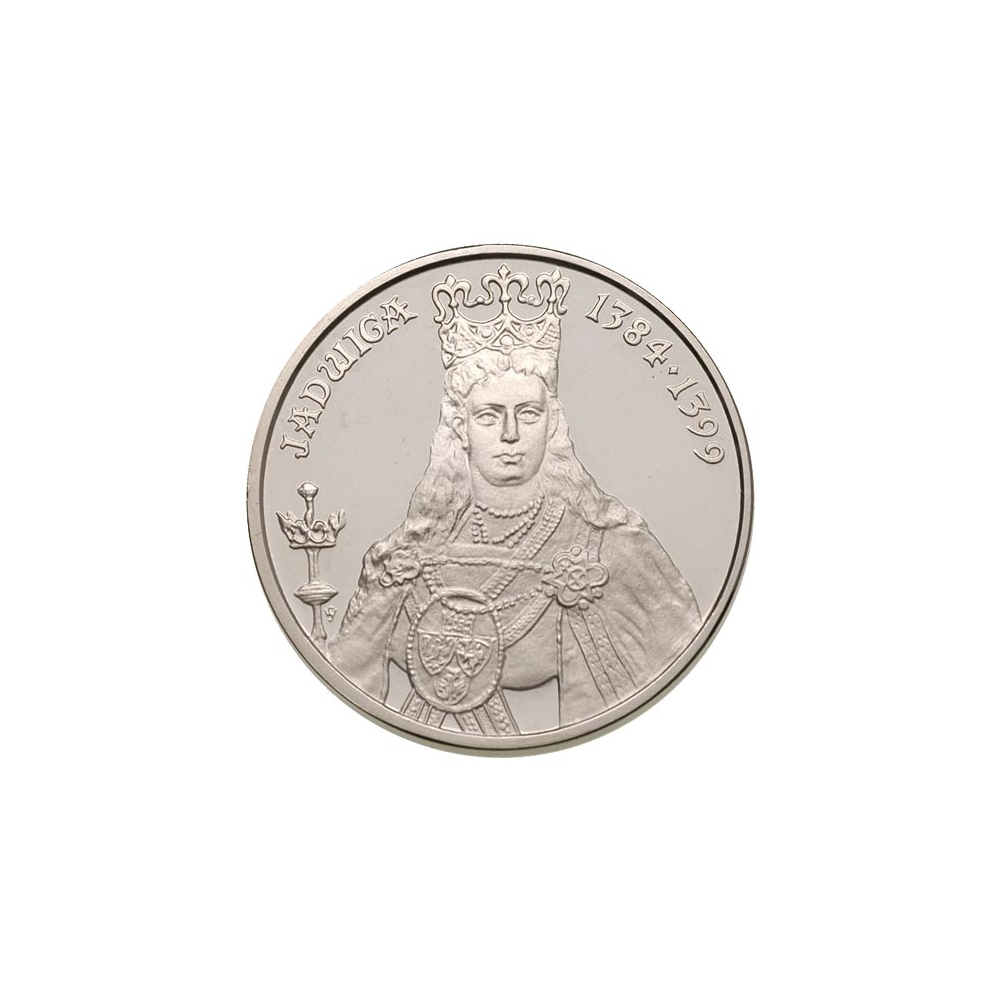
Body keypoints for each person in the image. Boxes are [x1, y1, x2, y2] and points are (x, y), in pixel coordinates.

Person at [327, 264, 700, 736]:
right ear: (459, 428)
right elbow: (344, 677)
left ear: (552, 423)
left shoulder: (615, 549)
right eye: (489, 415)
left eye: (528, 413)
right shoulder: (400, 560)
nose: (510, 435)